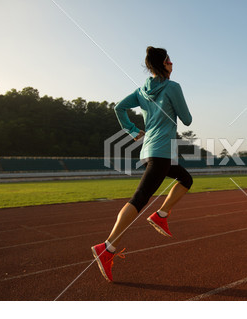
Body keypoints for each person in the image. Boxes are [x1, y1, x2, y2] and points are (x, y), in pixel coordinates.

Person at [91, 46, 193, 282]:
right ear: (163, 64)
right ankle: (107, 248)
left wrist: (132, 130)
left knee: (186, 179)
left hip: (149, 150)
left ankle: (161, 215)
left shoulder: (141, 91)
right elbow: (187, 119)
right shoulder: (172, 86)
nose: (172, 64)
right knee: (139, 199)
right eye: (169, 60)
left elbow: (119, 107)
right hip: (162, 152)